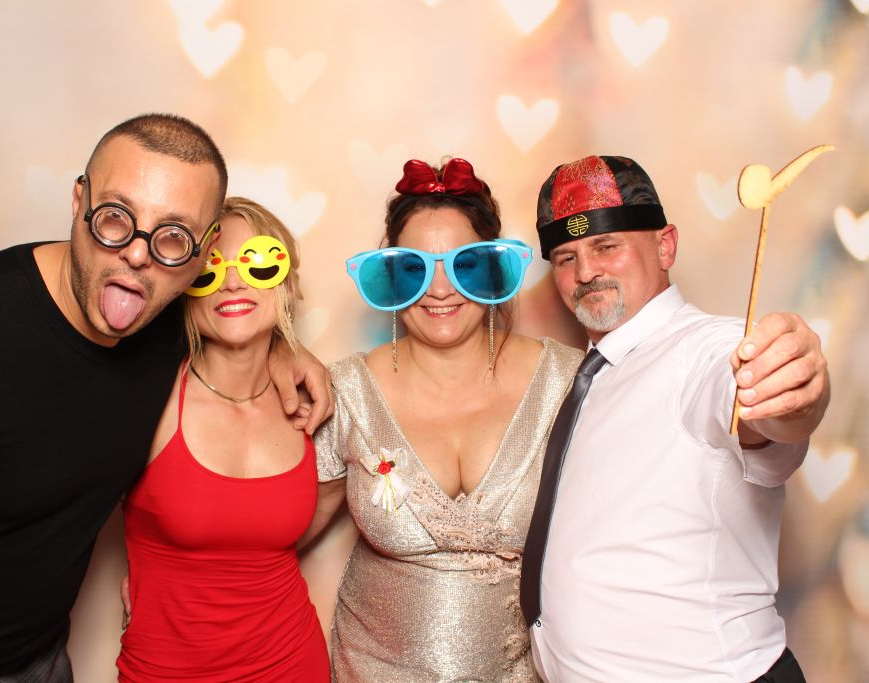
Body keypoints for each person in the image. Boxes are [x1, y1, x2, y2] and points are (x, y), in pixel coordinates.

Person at [0, 114, 331, 681]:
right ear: (79, 202)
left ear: (199, 254)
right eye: (116, 218)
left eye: (172, 236)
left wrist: (287, 351)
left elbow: (237, 324)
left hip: (45, 660)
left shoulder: (159, 326)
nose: (138, 254)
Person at [522, 155, 830, 682]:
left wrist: (792, 394)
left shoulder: (706, 350)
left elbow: (757, 408)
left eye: (606, 246)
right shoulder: (594, 371)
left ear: (665, 246)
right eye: (566, 257)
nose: (586, 273)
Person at [311, 158, 584, 682]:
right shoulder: (344, 392)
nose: (440, 289)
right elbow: (278, 531)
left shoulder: (568, 382)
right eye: (415, 267)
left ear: (494, 269)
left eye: (465, 264)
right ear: (391, 275)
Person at [116, 197, 329, 682]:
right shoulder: (148, 399)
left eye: (258, 263)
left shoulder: (312, 401)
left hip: (293, 664)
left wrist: (289, 350)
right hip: (165, 673)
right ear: (183, 291)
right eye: (210, 270)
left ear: (286, 284)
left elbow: (334, 497)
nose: (233, 281)